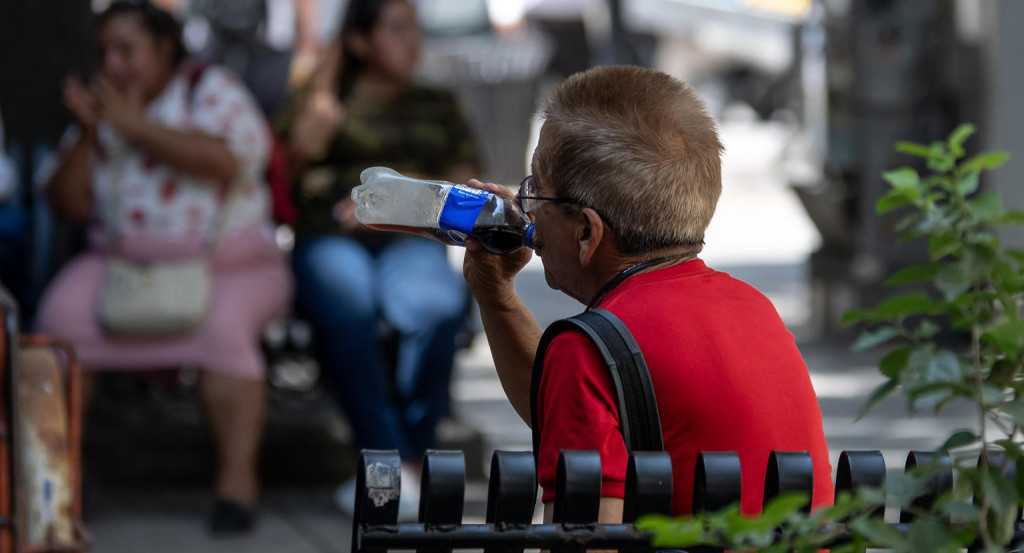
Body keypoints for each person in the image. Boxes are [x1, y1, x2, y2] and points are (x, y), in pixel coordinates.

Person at [462, 65, 833, 521]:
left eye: (536, 189)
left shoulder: (584, 351)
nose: (525, 208)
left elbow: (586, 543)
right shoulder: (754, 308)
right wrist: (496, 294)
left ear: (585, 232)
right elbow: (571, 414)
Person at [35, 1, 292, 535]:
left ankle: (236, 487)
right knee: (56, 327)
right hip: (118, 267)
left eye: (125, 50)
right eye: (104, 51)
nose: (113, 64)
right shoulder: (106, 109)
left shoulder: (209, 89)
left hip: (230, 267)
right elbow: (63, 202)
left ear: (164, 49)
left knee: (224, 335)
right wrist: (89, 133)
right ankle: (51, 489)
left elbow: (230, 160)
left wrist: (135, 127)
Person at [282, 0, 480, 518]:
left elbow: (466, 188)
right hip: (330, 239)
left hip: (411, 238)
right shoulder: (323, 101)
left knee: (437, 308)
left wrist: (395, 205)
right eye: (396, 29)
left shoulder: (438, 103)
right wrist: (322, 94)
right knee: (349, 311)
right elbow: (285, 170)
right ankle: (388, 465)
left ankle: (402, 468)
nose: (412, 41)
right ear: (359, 40)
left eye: (415, 28)